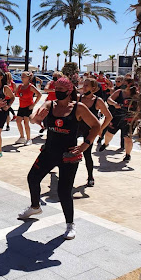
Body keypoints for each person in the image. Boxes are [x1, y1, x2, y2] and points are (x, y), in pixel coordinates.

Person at [18, 77, 100, 240]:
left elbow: (96, 125)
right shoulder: (50, 105)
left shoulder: (78, 108)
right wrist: (36, 116)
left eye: (61, 90)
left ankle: (70, 224)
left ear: (69, 92)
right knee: (32, 178)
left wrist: (85, 145)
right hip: (49, 151)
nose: (58, 93)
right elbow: (35, 119)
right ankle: (35, 206)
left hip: (68, 155)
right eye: (56, 89)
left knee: (64, 191)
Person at [78, 78, 112, 186]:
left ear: (93, 88)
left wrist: (100, 129)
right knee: (67, 148)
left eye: (87, 85)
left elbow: (109, 116)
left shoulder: (97, 101)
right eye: (84, 85)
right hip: (77, 128)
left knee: (87, 153)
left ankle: (90, 177)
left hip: (90, 130)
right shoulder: (78, 98)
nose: (84, 87)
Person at [99, 78, 138, 162]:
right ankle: (106, 144)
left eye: (125, 83)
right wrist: (114, 104)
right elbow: (109, 99)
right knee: (109, 134)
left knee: (127, 138)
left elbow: (140, 106)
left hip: (129, 119)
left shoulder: (136, 95)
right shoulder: (119, 92)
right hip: (117, 117)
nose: (123, 84)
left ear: (130, 85)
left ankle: (128, 155)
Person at [15, 71, 42, 145]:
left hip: (28, 106)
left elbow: (39, 95)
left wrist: (33, 104)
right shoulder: (20, 86)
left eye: (24, 76)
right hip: (21, 106)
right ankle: (22, 137)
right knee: (18, 121)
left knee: (26, 122)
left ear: (28, 78)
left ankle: (29, 139)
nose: (22, 78)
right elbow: (15, 94)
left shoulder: (31, 86)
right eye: (21, 76)